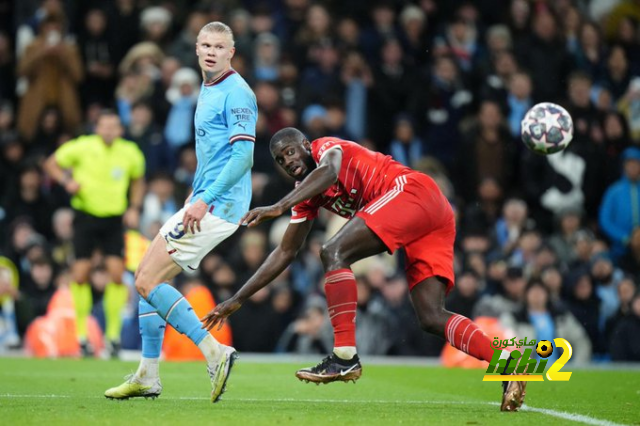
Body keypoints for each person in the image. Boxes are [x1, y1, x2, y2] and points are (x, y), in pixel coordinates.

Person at [202, 128, 528, 412]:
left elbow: (328, 172)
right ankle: (510, 365)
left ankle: (344, 357)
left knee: (332, 252)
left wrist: (277, 206)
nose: (287, 162)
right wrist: (238, 298)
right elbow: (286, 251)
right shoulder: (307, 196)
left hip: (413, 192)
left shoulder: (326, 148)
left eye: (289, 151)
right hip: (431, 216)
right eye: (280, 160)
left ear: (305, 144)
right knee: (430, 316)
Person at [103, 21, 257, 403]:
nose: (210, 51)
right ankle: (148, 374)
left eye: (218, 47)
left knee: (145, 281)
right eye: (204, 45)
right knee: (147, 279)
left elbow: (243, 156)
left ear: (230, 53)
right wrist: (196, 193)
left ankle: (214, 352)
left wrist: (205, 199)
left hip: (218, 205)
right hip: (206, 199)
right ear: (196, 49)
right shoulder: (209, 87)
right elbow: (216, 153)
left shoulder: (237, 93)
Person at [44, 110, 146, 357]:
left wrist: (133, 207)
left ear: (120, 129)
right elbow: (51, 164)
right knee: (80, 275)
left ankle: (112, 336)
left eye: (113, 126)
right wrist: (67, 182)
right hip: (86, 216)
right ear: (96, 127)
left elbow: (138, 180)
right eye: (104, 126)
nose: (109, 130)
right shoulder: (82, 147)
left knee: (116, 275)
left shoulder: (130, 151)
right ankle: (82, 336)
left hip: (113, 218)